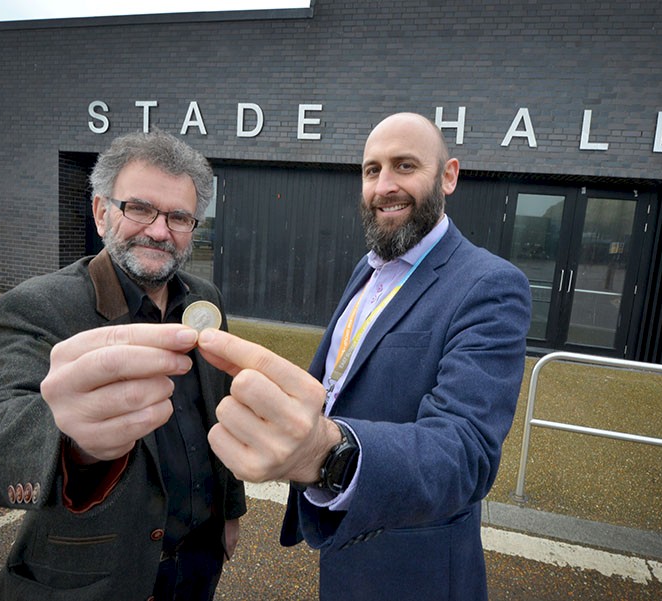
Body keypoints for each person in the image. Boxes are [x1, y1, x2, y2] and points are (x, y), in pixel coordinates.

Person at [198, 112, 531, 600]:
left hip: (414, 568)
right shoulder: (370, 267)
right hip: (344, 540)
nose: (384, 186)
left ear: (449, 176)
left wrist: (327, 454)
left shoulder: (490, 285)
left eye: (405, 166)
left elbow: (466, 453)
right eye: (372, 170)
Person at [0, 129, 246, 601]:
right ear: (102, 212)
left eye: (179, 217)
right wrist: (70, 439)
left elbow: (218, 411)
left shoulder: (207, 301)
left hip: (198, 562)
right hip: (96, 579)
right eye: (140, 208)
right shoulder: (43, 307)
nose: (159, 230)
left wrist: (230, 510)